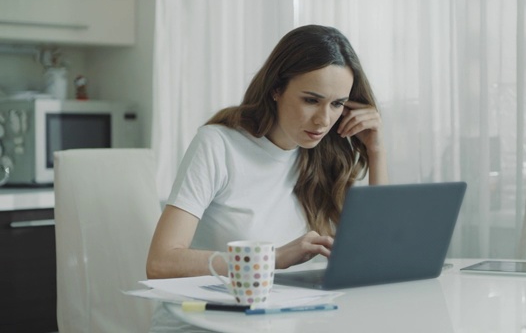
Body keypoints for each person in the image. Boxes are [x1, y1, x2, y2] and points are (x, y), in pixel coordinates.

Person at [146, 24, 388, 331]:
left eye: (337, 104)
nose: (324, 120)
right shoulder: (218, 144)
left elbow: (377, 259)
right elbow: (161, 263)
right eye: (311, 100)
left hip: (280, 322)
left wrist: (376, 150)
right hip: (203, 323)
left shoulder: (322, 155)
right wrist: (272, 258)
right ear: (276, 89)